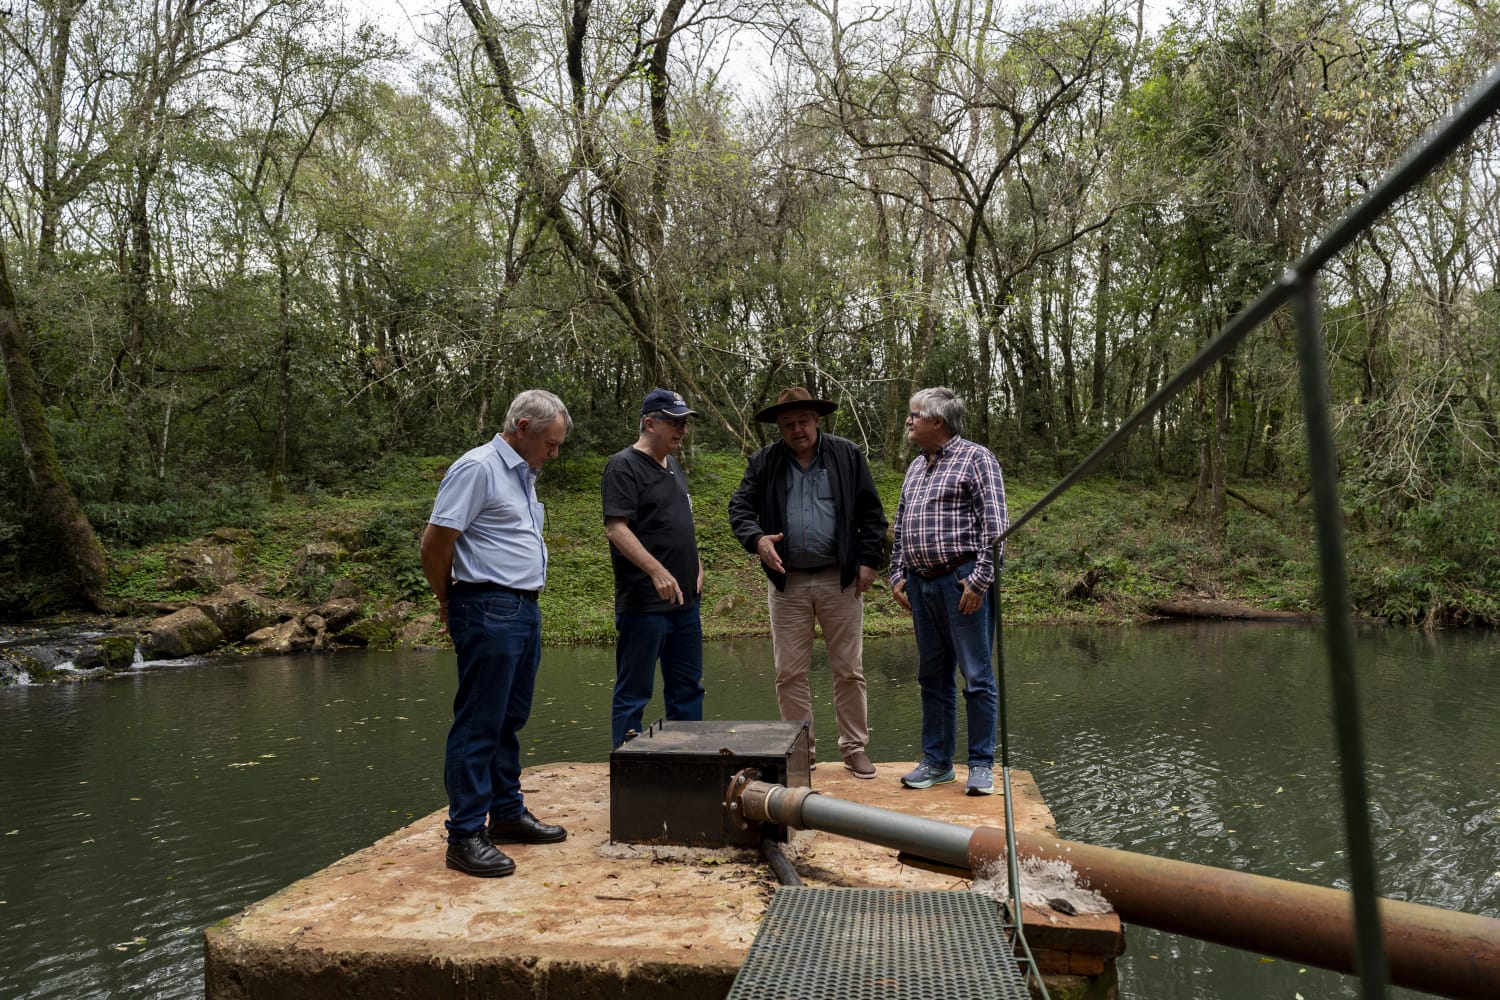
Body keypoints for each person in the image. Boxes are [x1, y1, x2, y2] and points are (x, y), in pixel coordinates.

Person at [419, 389, 574, 878]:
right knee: (479, 722)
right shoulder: (478, 468)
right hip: (486, 605)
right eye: (550, 444)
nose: (554, 454)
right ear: (523, 428)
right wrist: (449, 601)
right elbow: (435, 544)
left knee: (509, 718)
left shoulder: (522, 475)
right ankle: (465, 835)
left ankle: (506, 813)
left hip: (523, 607)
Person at [728, 387, 888, 779]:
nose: (796, 429)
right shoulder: (763, 462)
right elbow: (740, 508)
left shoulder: (847, 455)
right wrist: (757, 538)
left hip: (840, 580)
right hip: (788, 584)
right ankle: (802, 752)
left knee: (849, 669)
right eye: (787, 424)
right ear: (779, 427)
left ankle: (854, 748)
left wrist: (869, 561)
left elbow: (872, 512)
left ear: (817, 420)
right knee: (789, 673)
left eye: (802, 421)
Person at [888, 386, 1008, 795]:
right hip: (921, 585)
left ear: (937, 421)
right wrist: (897, 575)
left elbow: (995, 529)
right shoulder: (915, 468)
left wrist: (980, 580)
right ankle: (937, 762)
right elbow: (901, 526)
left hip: (962, 582)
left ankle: (980, 764)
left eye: (914, 415)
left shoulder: (978, 459)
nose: (909, 421)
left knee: (976, 675)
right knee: (931, 676)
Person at [603, 388, 706, 748]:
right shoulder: (624, 466)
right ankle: (627, 773)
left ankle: (688, 768)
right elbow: (616, 528)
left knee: (688, 692)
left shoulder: (673, 465)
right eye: (674, 423)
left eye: (684, 423)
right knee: (634, 693)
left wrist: (697, 564)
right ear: (650, 423)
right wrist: (657, 571)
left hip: (686, 604)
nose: (682, 430)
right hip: (644, 605)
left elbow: (679, 523)